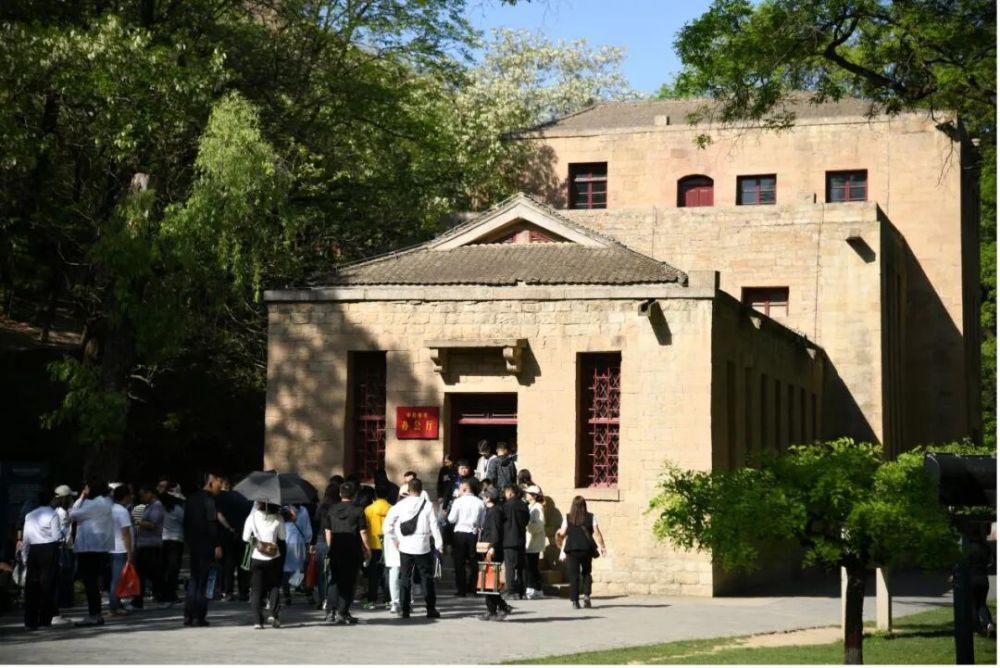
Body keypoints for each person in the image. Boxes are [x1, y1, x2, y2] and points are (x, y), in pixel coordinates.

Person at [383, 478, 442, 619]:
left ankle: (405, 609)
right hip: (423, 546)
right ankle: (430, 608)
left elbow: (387, 526)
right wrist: (439, 544)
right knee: (426, 578)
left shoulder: (400, 505)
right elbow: (434, 525)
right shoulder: (427, 505)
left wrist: (394, 539)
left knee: (405, 577)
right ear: (421, 491)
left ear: (408, 490)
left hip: (405, 546)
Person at [322, 481, 370, 624]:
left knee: (334, 581)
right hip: (352, 550)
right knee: (348, 582)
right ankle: (342, 612)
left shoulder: (331, 509)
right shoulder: (358, 510)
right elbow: (363, 532)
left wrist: (330, 547)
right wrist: (367, 549)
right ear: (355, 495)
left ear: (340, 494)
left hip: (335, 549)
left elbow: (328, 531)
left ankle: (330, 611)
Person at [69, 478, 115, 627]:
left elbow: (72, 515)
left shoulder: (91, 504)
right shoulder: (108, 502)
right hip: (101, 547)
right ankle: (97, 614)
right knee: (95, 582)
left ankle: (94, 615)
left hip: (88, 547)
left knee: (89, 582)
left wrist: (81, 497)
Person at [182, 471, 223, 627]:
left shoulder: (191, 499)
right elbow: (211, 524)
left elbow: (185, 524)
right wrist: (217, 545)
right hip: (206, 545)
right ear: (211, 482)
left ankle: (188, 615)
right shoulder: (209, 500)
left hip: (194, 545)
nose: (220, 486)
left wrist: (189, 542)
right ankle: (199, 616)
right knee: (203, 581)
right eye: (218, 483)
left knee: (194, 579)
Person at [20, 491, 63, 630]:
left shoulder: (30, 515)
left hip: (33, 550)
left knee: (31, 586)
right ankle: (44, 620)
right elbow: (57, 536)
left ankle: (30, 621)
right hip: (49, 549)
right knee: (47, 586)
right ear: (50, 500)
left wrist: (24, 555)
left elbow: (26, 538)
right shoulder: (53, 514)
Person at [556, 495, 607, 610]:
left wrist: (558, 536)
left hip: (571, 549)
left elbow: (562, 533)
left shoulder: (567, 517)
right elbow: (597, 533)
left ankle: (575, 601)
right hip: (586, 549)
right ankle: (587, 596)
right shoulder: (591, 517)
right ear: (584, 505)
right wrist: (602, 546)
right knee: (586, 573)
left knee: (573, 575)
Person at [243, 502, 286, 629]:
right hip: (273, 557)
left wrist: (258, 544)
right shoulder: (279, 517)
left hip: (256, 557)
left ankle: (257, 621)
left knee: (256, 590)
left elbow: (245, 537)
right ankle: (272, 613)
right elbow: (282, 537)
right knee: (274, 586)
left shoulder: (252, 517)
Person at [477, 488, 512, 621]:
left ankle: (501, 607)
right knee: (487, 582)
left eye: (484, 496)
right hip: (487, 548)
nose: (483, 498)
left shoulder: (495, 512)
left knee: (490, 581)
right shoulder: (491, 511)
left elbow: (496, 532)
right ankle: (493, 610)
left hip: (492, 550)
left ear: (488, 498)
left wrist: (492, 547)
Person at [215, 478, 251, 602]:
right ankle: (243, 592)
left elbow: (219, 515)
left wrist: (229, 527)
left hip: (228, 535)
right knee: (243, 565)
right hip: (244, 534)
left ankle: (228, 592)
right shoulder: (248, 499)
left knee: (228, 565)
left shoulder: (222, 497)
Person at [447, 479, 485, 597]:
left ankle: (461, 590)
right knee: (474, 561)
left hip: (460, 532)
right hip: (473, 533)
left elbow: (451, 519)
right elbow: (482, 521)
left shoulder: (458, 501)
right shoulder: (480, 502)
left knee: (459, 562)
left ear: (464, 489)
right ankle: (474, 588)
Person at [132, 484, 164, 608]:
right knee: (142, 573)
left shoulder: (157, 506)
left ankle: (159, 595)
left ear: (150, 493)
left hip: (151, 544)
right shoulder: (147, 506)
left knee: (151, 572)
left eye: (143, 495)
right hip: (143, 544)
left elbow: (153, 525)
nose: (141, 498)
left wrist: (137, 522)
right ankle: (139, 599)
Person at [363, 484, 391, 610]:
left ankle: (371, 600)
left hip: (372, 544)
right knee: (387, 573)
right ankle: (388, 600)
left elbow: (364, 528)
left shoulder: (368, 510)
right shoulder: (392, 508)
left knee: (372, 575)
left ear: (374, 496)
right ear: (387, 496)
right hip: (388, 545)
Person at [108, 486, 134, 616]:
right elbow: (125, 534)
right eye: (130, 494)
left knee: (115, 578)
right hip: (120, 548)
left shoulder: (111, 509)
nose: (132, 497)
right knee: (118, 579)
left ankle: (117, 603)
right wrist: (129, 552)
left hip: (111, 548)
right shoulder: (122, 511)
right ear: (125, 496)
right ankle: (114, 606)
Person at [314, 483, 339, 611]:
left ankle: (322, 598)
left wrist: (312, 543)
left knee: (321, 572)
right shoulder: (337, 508)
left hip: (320, 539)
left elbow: (315, 524)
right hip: (334, 539)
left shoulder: (321, 507)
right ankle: (330, 599)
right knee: (332, 572)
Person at [501, 484, 529, 600]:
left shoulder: (506, 506)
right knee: (521, 567)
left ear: (510, 493)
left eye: (506, 493)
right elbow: (526, 521)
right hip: (521, 539)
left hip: (509, 540)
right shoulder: (524, 505)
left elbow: (501, 522)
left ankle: (511, 591)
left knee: (510, 567)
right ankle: (522, 591)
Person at [282, 504, 312, 605]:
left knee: (286, 569)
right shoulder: (303, 510)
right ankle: (303, 589)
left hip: (286, 543)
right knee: (301, 568)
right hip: (299, 542)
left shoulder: (283, 509)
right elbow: (307, 529)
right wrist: (308, 543)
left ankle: (287, 594)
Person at [381, 488, 405, 615]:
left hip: (405, 545)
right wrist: (395, 540)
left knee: (404, 574)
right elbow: (387, 528)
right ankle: (396, 602)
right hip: (396, 545)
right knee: (396, 574)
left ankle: (405, 601)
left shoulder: (395, 508)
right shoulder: (395, 509)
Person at [160, 488, 185, 604]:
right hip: (176, 539)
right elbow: (185, 521)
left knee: (164, 568)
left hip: (163, 539)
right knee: (174, 568)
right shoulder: (177, 509)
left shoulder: (161, 509)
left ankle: (163, 592)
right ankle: (171, 593)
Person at [524, 485, 546, 600]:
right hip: (529, 541)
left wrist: (528, 526)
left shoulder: (538, 507)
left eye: (528, 493)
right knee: (531, 566)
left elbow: (539, 524)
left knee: (531, 566)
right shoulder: (529, 506)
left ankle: (532, 587)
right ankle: (538, 589)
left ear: (533, 496)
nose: (526, 495)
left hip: (534, 541)